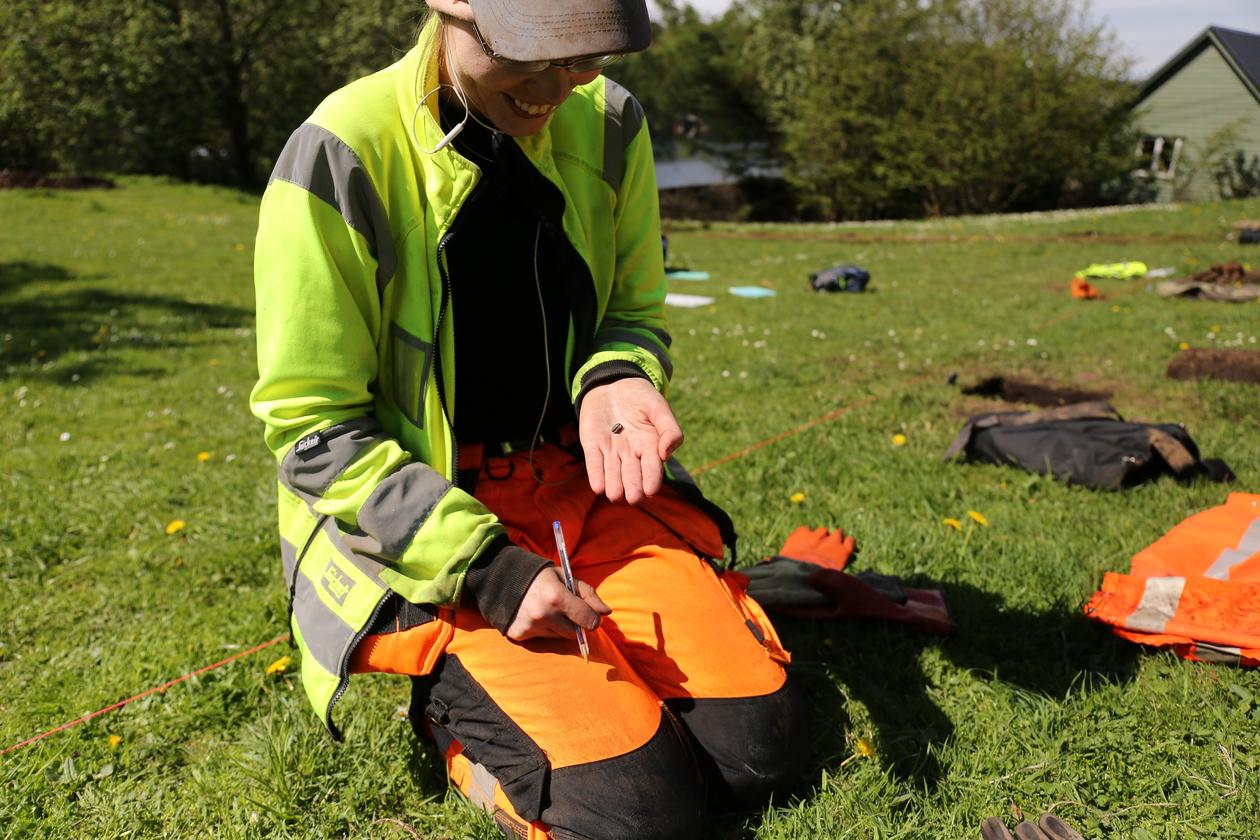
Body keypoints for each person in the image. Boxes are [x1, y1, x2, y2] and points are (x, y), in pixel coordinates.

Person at [250, 1, 802, 836]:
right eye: (534, 54)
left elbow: (635, 311)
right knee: (637, 820)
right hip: (442, 528)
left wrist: (617, 373)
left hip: (584, 493)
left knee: (761, 753)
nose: (559, 87)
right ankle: (457, 712)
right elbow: (314, 429)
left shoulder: (613, 121)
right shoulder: (339, 151)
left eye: (588, 55)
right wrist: (488, 571)